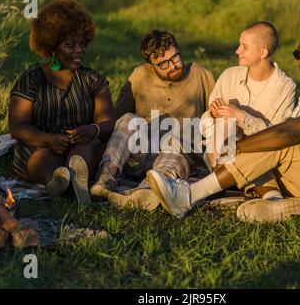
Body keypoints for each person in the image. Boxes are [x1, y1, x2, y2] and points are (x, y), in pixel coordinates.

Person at [147, 22, 300, 222]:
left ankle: (188, 196)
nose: (297, 61)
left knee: (281, 143)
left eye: (298, 55)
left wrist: (238, 148)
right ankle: (288, 206)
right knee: (270, 143)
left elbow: (289, 133)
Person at [90, 30, 215, 210]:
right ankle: (106, 179)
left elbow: (215, 117)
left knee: (174, 144)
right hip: (141, 152)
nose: (173, 66)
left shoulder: (200, 74)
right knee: (128, 120)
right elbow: (119, 118)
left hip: (178, 153)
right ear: (151, 66)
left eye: (175, 58)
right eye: (163, 64)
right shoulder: (139, 75)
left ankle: (148, 191)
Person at [9, 0, 115, 204]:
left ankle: (75, 180)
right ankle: (58, 181)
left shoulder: (93, 80)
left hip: (80, 144)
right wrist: (48, 139)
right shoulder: (32, 79)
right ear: (52, 46)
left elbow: (109, 122)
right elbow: (17, 126)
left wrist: (92, 130)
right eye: (71, 45)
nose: (79, 50)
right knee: (44, 160)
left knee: (90, 148)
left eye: (82, 44)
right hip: (39, 145)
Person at [201, 21, 295, 200]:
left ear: (263, 52)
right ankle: (268, 195)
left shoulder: (285, 86)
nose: (237, 51)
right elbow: (205, 126)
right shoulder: (229, 76)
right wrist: (213, 115)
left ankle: (271, 198)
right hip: (220, 155)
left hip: (260, 156)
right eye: (239, 45)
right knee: (224, 122)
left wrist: (242, 116)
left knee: (256, 156)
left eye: (244, 47)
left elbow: (277, 137)